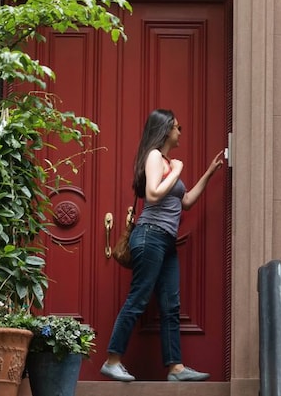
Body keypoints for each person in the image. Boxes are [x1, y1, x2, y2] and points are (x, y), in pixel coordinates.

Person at [100, 108, 225, 382]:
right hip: (150, 236)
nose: (180, 132)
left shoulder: (166, 161)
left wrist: (209, 173)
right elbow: (153, 194)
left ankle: (176, 368)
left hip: (166, 241)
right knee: (139, 299)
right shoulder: (155, 157)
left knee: (171, 305)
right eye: (177, 127)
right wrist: (178, 169)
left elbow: (187, 201)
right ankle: (112, 360)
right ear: (166, 129)